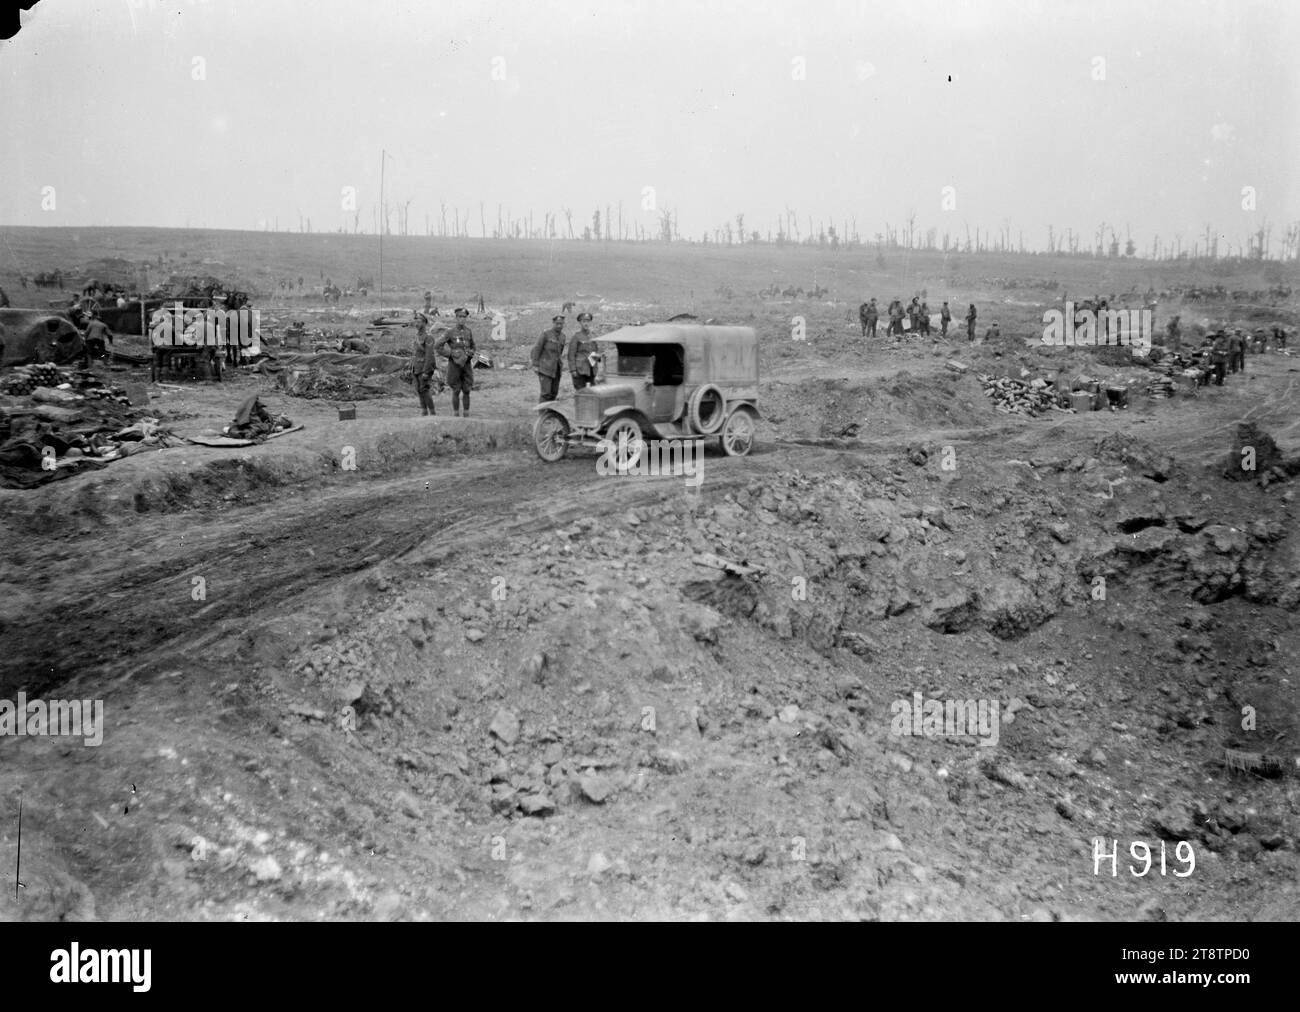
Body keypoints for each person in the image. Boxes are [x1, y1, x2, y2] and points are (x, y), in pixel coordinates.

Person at [436, 308, 476, 416]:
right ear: (456, 318)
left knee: (467, 389)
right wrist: (451, 354)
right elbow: (437, 346)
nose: (462, 319)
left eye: (464, 317)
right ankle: (456, 414)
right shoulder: (450, 332)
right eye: (460, 317)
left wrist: (470, 354)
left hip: (466, 364)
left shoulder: (468, 331)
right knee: (456, 390)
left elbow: (473, 346)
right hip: (455, 365)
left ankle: (466, 414)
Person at [531, 314, 567, 403]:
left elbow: (560, 352)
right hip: (545, 368)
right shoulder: (546, 334)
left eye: (561, 324)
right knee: (545, 393)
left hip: (556, 369)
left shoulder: (563, 336)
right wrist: (535, 365)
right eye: (557, 323)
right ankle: (543, 414)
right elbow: (537, 349)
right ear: (553, 323)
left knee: (554, 392)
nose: (559, 326)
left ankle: (550, 413)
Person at [568, 312, 600, 389]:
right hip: (580, 370)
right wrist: (573, 370)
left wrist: (598, 357)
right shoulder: (576, 337)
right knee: (581, 393)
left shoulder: (593, 336)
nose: (586, 324)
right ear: (580, 322)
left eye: (588, 321)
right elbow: (571, 355)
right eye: (584, 321)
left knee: (592, 393)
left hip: (591, 370)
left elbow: (596, 351)